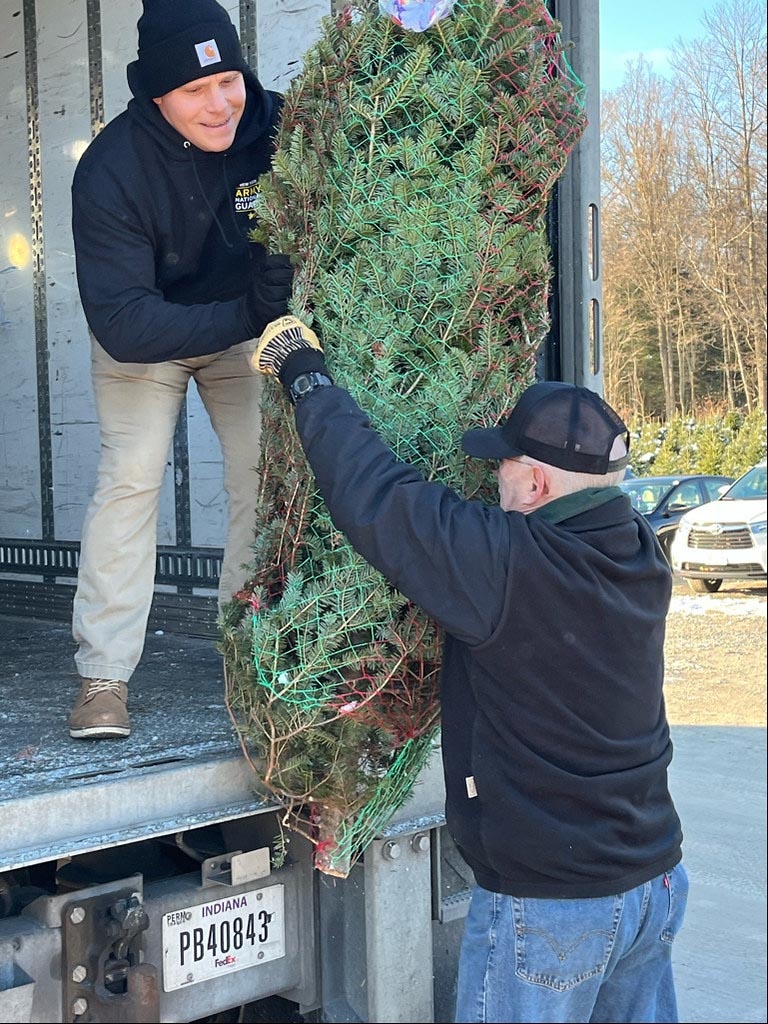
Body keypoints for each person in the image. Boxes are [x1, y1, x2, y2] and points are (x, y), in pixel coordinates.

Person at [251, 316, 688, 1024]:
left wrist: (305, 372)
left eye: (503, 469)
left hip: (553, 903)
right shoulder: (639, 551)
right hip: (653, 884)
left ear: (539, 482)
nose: (493, 483)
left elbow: (377, 498)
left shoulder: (510, 565)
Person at [67, 0, 294, 740]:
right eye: (194, 91)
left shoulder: (280, 128)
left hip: (242, 331)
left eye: (226, 79)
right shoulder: (112, 169)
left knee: (264, 475)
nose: (219, 103)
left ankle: (247, 652)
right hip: (150, 334)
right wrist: (248, 313)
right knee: (131, 477)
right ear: (157, 94)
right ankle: (103, 676)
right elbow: (125, 324)